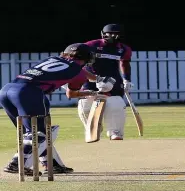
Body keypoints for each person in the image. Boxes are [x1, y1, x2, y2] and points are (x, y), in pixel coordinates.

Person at [0, 43, 116, 175]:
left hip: (6, 91)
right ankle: (16, 164)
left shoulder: (52, 59)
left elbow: (78, 70)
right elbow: (71, 94)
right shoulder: (78, 73)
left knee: (31, 134)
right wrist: (93, 93)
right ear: (87, 58)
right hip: (28, 93)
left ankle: (52, 165)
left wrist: (97, 79)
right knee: (40, 133)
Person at [78, 23, 132, 140]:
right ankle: (94, 128)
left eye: (117, 34)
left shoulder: (123, 49)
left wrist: (126, 79)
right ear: (103, 34)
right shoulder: (91, 45)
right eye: (111, 34)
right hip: (91, 79)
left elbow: (125, 63)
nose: (114, 37)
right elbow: (76, 59)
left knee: (116, 104)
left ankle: (115, 131)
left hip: (112, 80)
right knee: (86, 106)